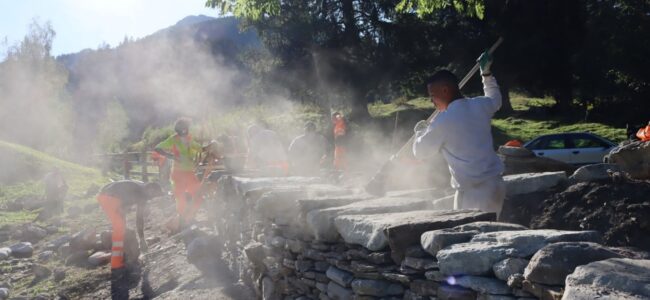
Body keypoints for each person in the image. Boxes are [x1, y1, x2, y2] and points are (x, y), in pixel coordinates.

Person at [413, 51, 506, 217]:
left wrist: (420, 132)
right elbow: (495, 98)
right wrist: (486, 74)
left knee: (473, 238)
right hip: (495, 185)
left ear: (445, 90)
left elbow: (420, 152)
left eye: (432, 95)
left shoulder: (443, 121)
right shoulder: (480, 105)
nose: (431, 101)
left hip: (475, 193)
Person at [96, 180, 163, 300]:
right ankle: (116, 266)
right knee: (119, 229)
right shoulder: (138, 190)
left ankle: (124, 256)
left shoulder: (144, 192)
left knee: (123, 228)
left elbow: (139, 219)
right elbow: (118, 193)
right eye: (154, 195)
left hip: (113, 197)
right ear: (150, 189)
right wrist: (121, 208)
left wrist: (142, 239)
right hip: (108, 197)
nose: (153, 198)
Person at [154, 118, 205, 227]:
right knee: (180, 197)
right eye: (184, 127)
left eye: (187, 127)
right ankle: (183, 219)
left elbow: (199, 148)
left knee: (198, 195)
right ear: (179, 129)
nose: (186, 130)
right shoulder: (173, 139)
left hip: (190, 172)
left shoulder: (189, 139)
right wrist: (171, 156)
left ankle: (190, 217)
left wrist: (207, 148)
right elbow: (158, 148)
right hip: (178, 173)